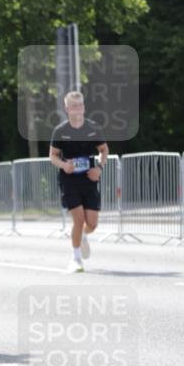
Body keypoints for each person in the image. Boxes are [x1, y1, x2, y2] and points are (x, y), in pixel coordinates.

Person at [49, 91, 109, 272]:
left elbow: (104, 150)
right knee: (79, 218)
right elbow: (52, 156)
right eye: (73, 106)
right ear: (67, 108)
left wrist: (99, 168)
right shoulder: (60, 131)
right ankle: (76, 259)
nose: (77, 109)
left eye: (80, 105)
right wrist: (63, 165)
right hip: (69, 180)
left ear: (84, 107)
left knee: (92, 224)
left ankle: (82, 235)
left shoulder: (93, 128)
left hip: (89, 179)